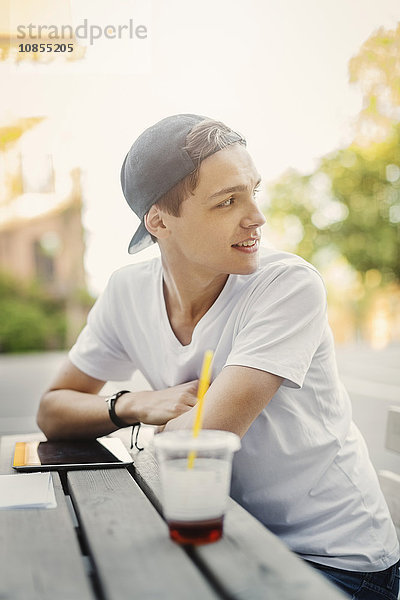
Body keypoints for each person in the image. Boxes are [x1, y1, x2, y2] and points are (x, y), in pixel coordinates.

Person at [37, 113, 399, 599]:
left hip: (334, 561)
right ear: (159, 221)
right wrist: (135, 405)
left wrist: (168, 427)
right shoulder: (127, 291)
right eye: (228, 201)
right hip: (231, 538)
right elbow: (53, 409)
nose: (257, 216)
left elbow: (201, 440)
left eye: (254, 191)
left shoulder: (287, 285)